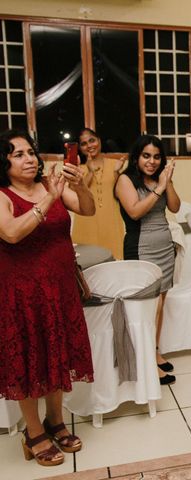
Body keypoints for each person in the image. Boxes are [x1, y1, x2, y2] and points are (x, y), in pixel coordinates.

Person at [0, 130, 95, 466]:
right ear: (4, 162)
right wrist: (49, 199)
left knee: (57, 353)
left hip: (60, 288)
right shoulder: (3, 194)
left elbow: (88, 209)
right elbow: (10, 233)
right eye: (17, 154)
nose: (29, 159)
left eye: (30, 152)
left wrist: (80, 185)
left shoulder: (48, 183)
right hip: (22, 293)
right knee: (28, 359)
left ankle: (56, 420)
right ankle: (34, 431)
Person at [115, 135, 180, 385]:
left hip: (164, 247)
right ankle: (145, 361)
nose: (152, 161)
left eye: (156, 156)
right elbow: (135, 211)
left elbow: (174, 207)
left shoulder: (160, 179)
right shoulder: (125, 180)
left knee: (161, 302)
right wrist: (159, 188)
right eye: (146, 156)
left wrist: (168, 182)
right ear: (136, 157)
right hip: (141, 248)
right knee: (147, 307)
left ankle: (154, 350)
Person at [71, 128, 125, 258]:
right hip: (86, 223)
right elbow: (74, 196)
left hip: (111, 221)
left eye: (92, 140)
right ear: (80, 148)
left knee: (114, 261)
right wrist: (89, 172)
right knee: (87, 264)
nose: (89, 146)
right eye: (84, 143)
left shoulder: (114, 165)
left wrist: (117, 173)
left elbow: (121, 194)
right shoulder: (77, 169)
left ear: (99, 141)